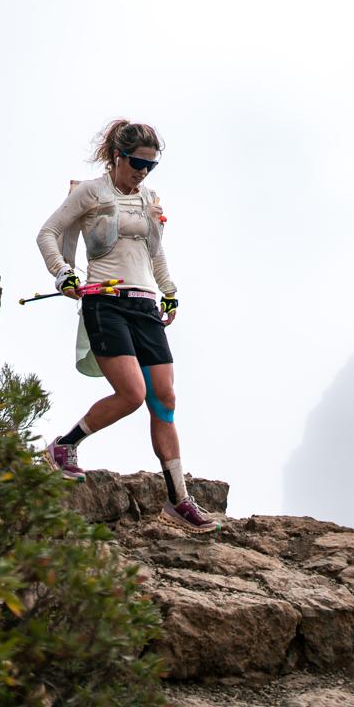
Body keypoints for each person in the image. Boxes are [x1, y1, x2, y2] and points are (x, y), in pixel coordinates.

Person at [35, 119, 220, 534]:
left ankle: (178, 500)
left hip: (145, 303)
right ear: (118, 157)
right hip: (105, 302)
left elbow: (156, 253)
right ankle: (64, 446)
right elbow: (48, 232)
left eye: (150, 165)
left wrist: (169, 289)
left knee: (164, 399)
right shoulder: (91, 192)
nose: (143, 172)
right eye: (137, 163)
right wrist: (63, 273)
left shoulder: (149, 197)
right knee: (133, 394)